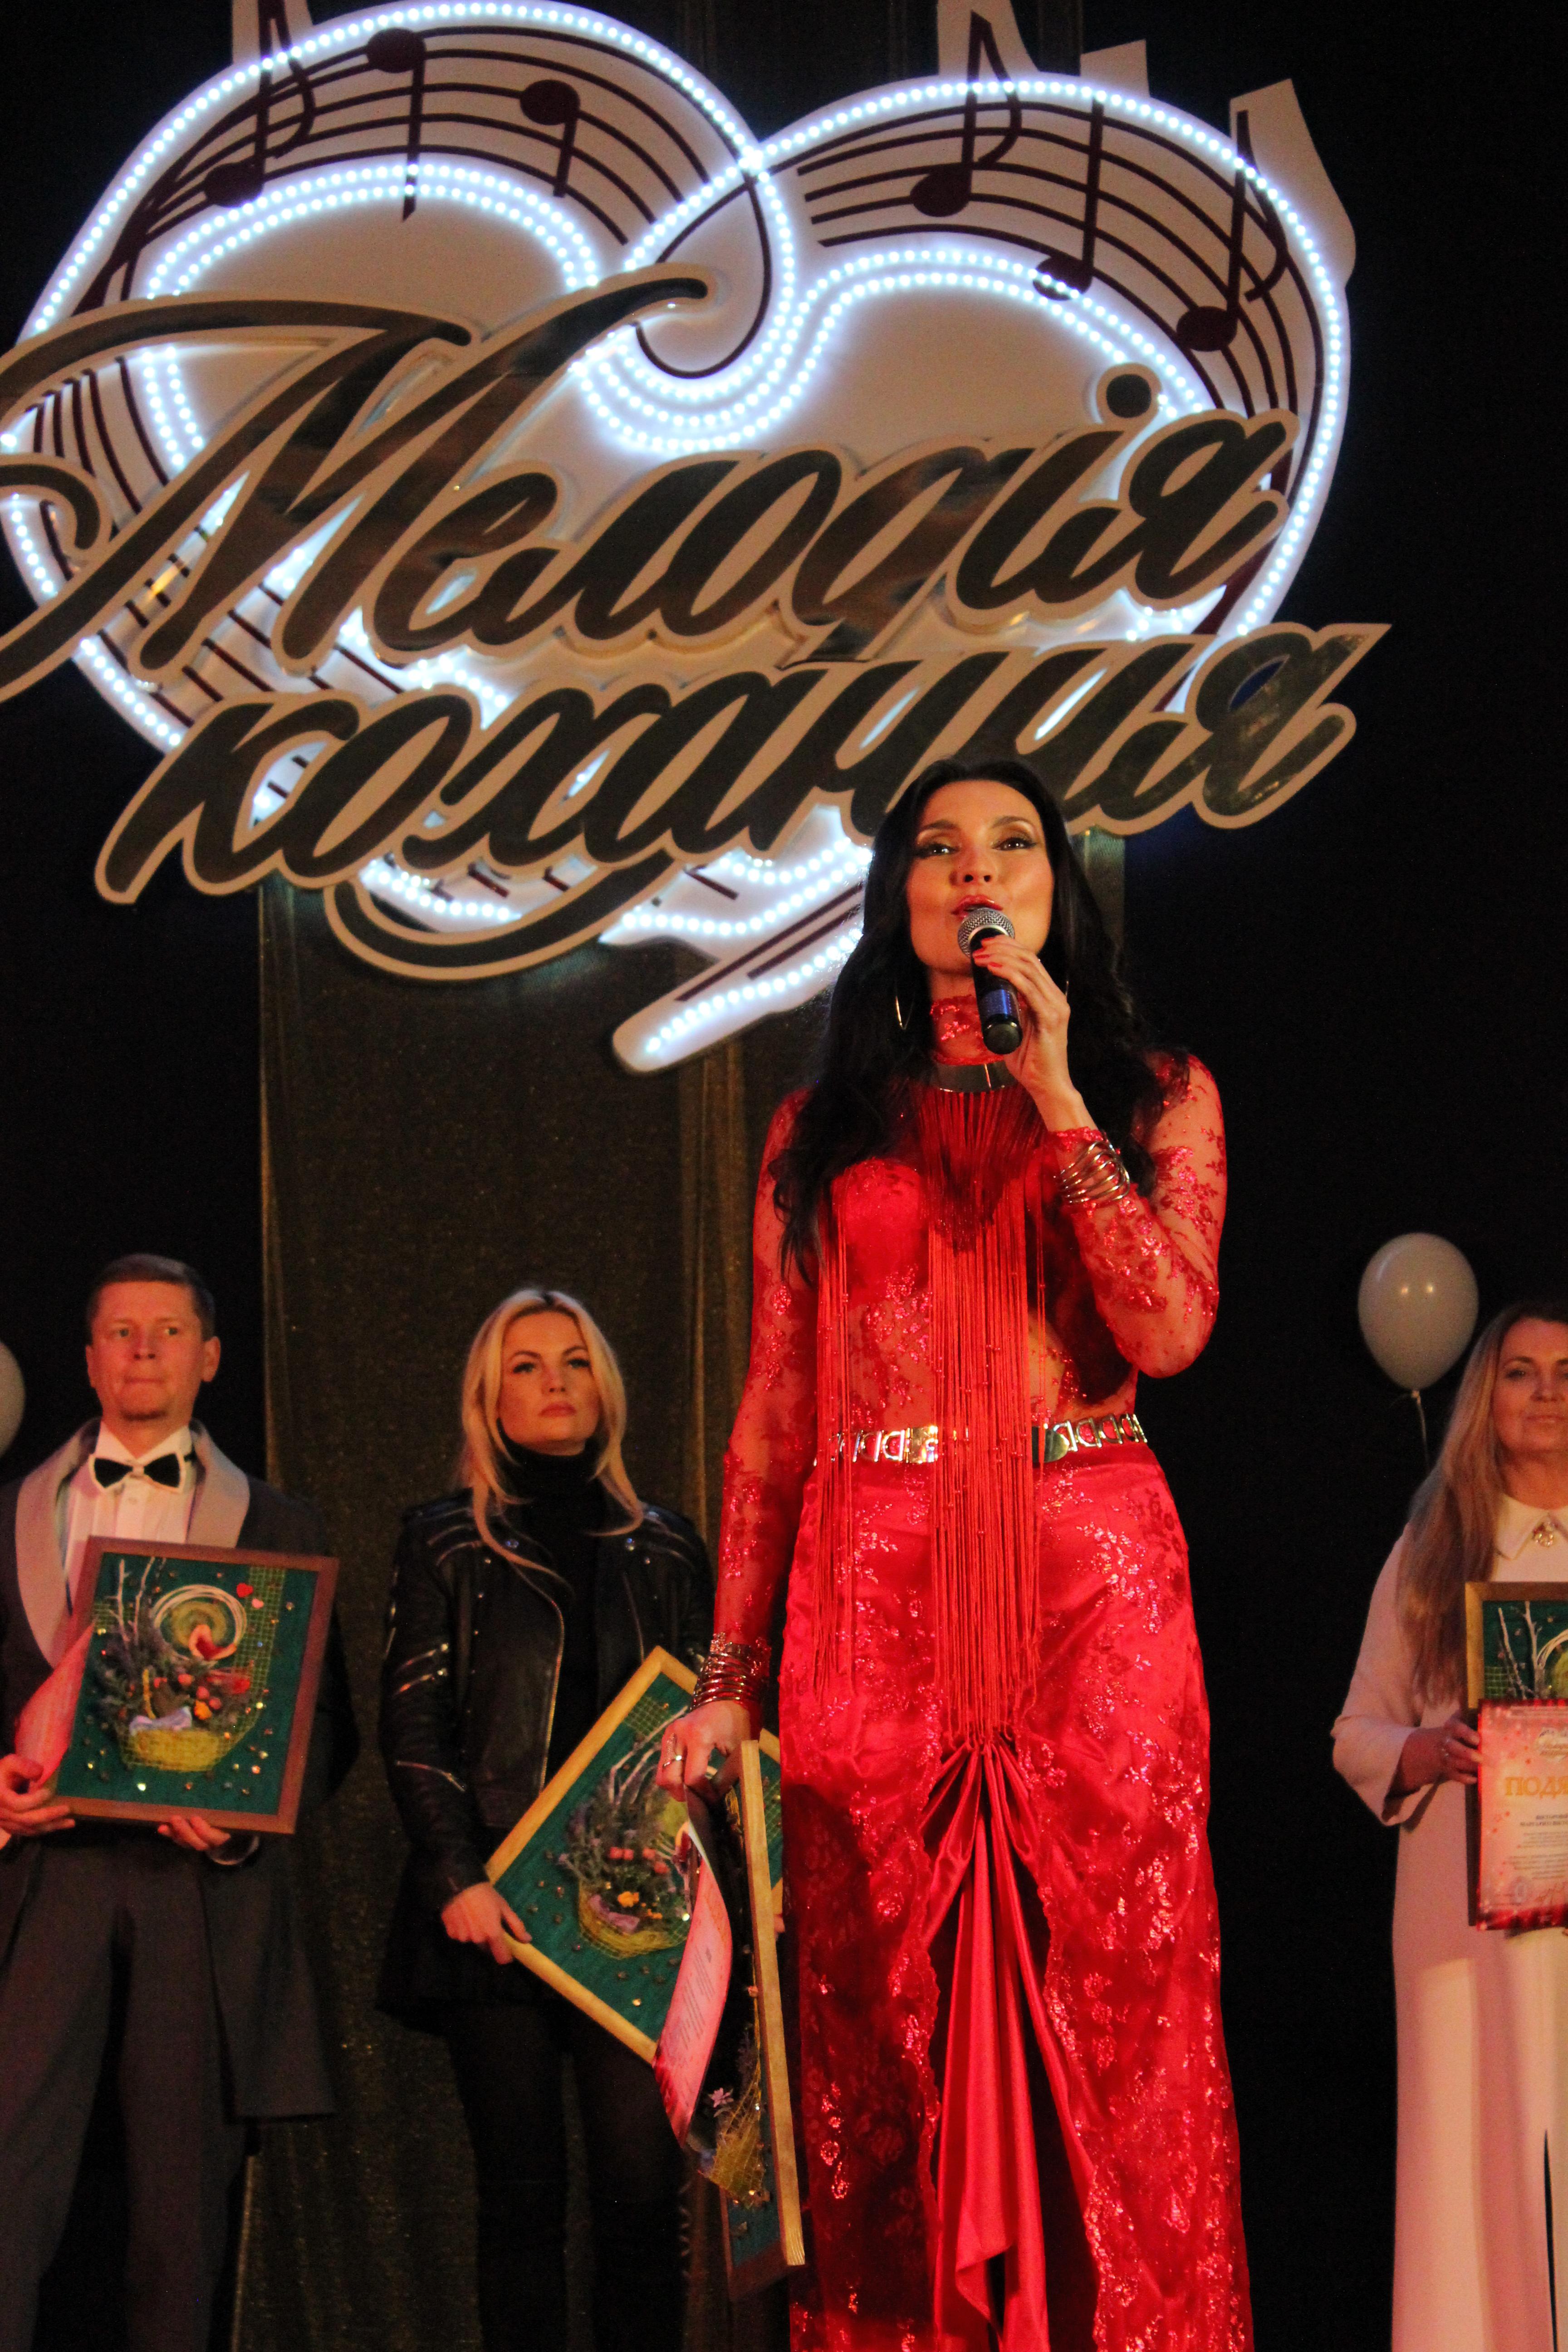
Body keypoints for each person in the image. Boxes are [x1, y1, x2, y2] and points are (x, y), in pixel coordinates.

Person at [658, 757, 1250, 2352]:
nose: (972, 871)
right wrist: (728, 1676)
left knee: (1117, 2009)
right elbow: (772, 1419)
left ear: (1056, 885)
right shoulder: (820, 1125)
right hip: (876, 1603)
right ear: (895, 893)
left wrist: (1058, 1096)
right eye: (936, 848)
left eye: (1009, 844)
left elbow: (1166, 1330)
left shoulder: (1154, 1090)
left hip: (1091, 1594)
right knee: (880, 2025)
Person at [0, 1253, 357, 2352]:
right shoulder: (8, 1513)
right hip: (41, 1876)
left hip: (195, 1888)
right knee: (6, 2175)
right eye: (121, 1331)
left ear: (209, 1358)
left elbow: (323, 1727)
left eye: (167, 1331)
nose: (143, 1349)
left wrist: (242, 1823)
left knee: (181, 2204)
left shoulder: (281, 1522)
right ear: (89, 1360)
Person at [379, 1286, 712, 2352]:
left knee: (640, 2193)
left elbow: (710, 1733)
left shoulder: (670, 1545)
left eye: (573, 1360)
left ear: (604, 1388)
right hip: (496, 1911)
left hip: (637, 1911)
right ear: (491, 1398)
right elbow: (415, 1723)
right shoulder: (443, 1539)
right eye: (525, 1365)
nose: (554, 1381)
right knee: (521, 2198)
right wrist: (455, 1873)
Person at [1334, 1301, 1568, 2352]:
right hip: (1465, 1910)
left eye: (1566, 1373)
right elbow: (1356, 1732)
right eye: (1521, 1372)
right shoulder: (1434, 1551)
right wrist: (1431, 1750)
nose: (1547, 1393)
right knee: (1468, 2160)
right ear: (1486, 1396)